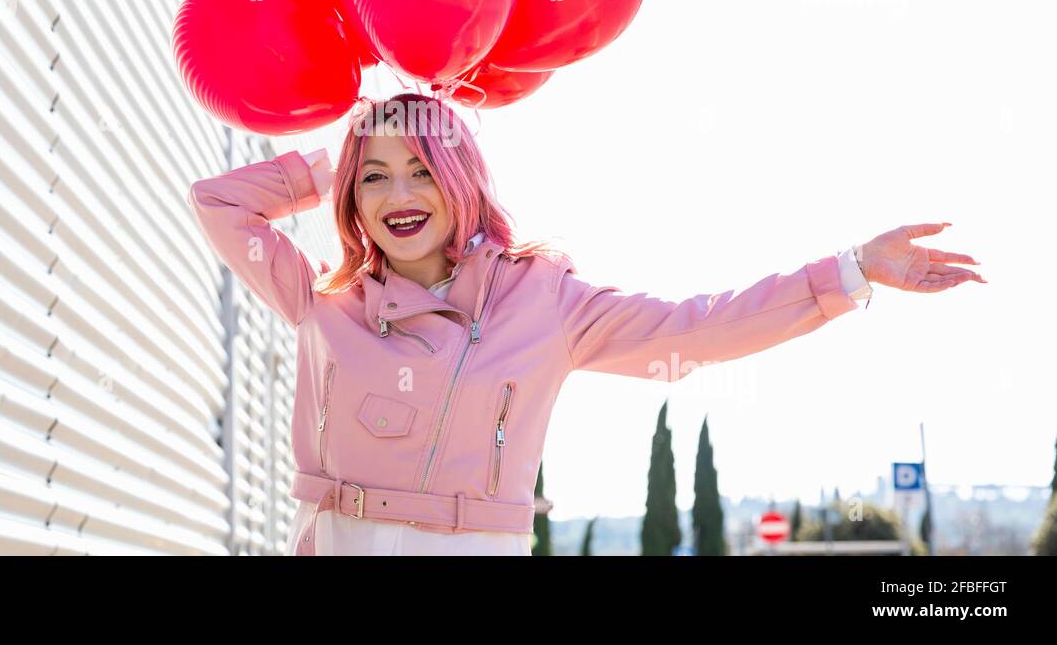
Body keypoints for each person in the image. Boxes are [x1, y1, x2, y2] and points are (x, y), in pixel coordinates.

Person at [188, 93, 984, 555]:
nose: (399, 194)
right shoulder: (322, 300)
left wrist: (849, 271)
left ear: (460, 180)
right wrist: (339, 151)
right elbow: (218, 201)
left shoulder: (542, 302)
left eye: (422, 169)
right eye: (376, 177)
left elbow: (698, 329)